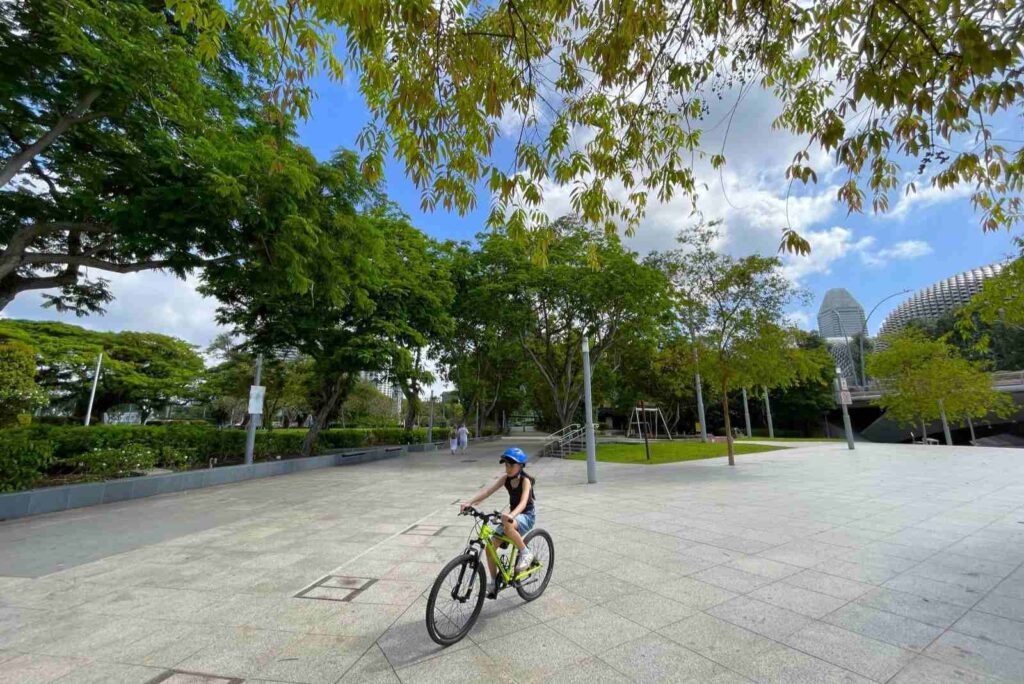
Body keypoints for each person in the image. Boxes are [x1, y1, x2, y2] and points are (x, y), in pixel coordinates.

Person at [459, 447, 536, 598]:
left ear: (521, 466)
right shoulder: (505, 479)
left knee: (507, 527)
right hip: (512, 518)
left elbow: (523, 503)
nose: (508, 468)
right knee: (490, 548)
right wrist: (470, 502)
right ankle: (494, 582)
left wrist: (511, 515)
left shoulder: (525, 481)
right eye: (506, 465)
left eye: (511, 465)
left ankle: (526, 553)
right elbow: (487, 492)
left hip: (526, 516)